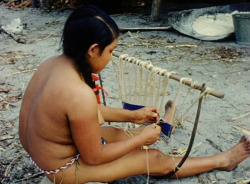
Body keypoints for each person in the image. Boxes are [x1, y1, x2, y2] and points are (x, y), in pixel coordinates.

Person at [19, 5, 250, 184]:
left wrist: (133, 116)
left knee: (120, 134)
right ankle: (223, 160)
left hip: (42, 154)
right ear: (93, 50)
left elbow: (78, 114)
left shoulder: (51, 65)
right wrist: (141, 140)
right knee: (153, 158)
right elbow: (94, 157)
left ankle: (145, 133)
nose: (110, 57)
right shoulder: (78, 93)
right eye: (110, 51)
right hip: (62, 170)